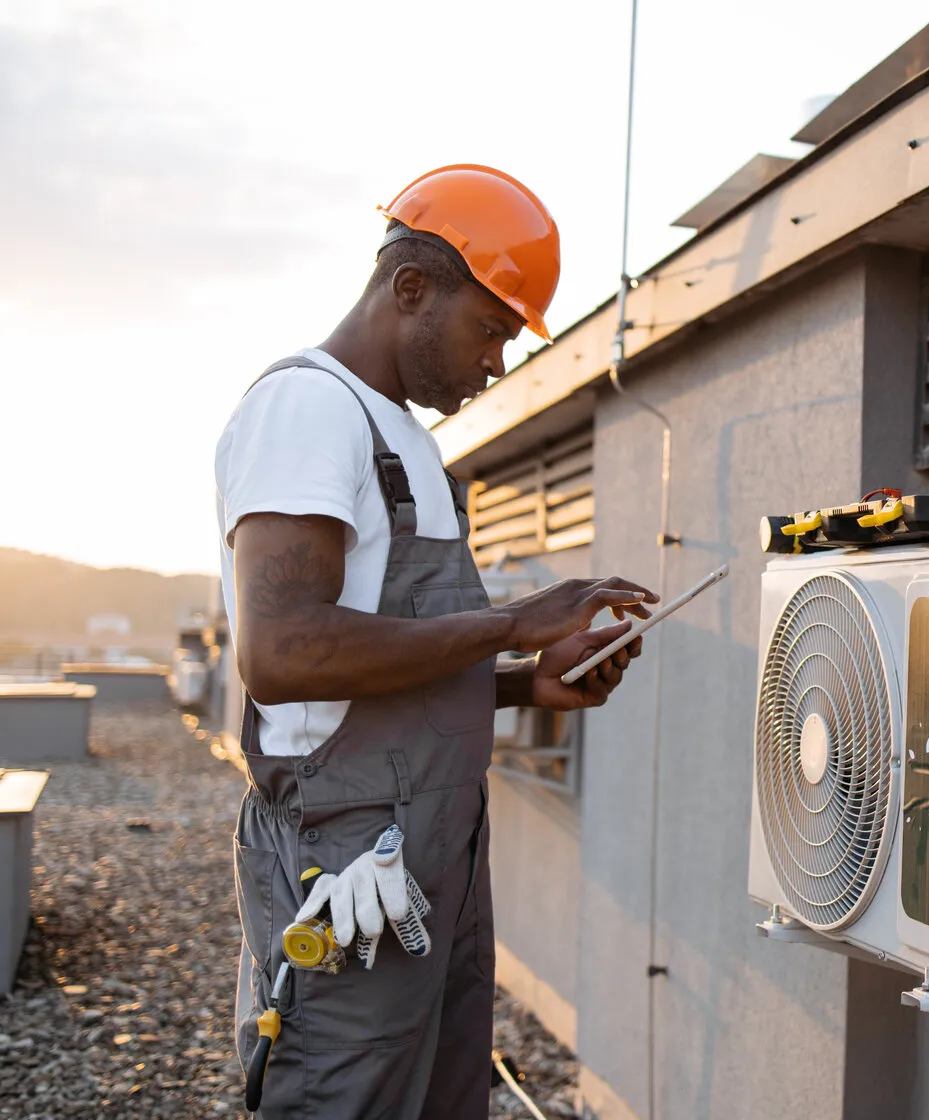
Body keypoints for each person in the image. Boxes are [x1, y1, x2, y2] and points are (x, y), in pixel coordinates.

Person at [214, 165, 656, 1119]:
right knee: (345, 1094)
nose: (496, 364)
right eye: (492, 330)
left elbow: (380, 664)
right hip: (348, 856)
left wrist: (524, 686)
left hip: (431, 848)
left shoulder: (403, 438)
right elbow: (284, 653)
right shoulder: (307, 409)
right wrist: (509, 623)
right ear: (411, 288)